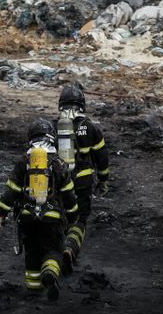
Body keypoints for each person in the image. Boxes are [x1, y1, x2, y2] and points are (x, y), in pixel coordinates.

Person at [0, 118, 79, 301]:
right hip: (52, 218)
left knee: (32, 252)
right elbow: (69, 194)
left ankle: (34, 291)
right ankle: (50, 273)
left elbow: (11, 190)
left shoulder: (24, 161)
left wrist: (1, 213)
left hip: (27, 218)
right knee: (52, 251)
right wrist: (73, 216)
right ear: (52, 137)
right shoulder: (58, 163)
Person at [55, 84, 109, 271]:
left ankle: (55, 250)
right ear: (82, 105)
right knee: (81, 218)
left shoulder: (55, 126)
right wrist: (103, 179)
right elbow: (102, 157)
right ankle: (70, 248)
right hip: (83, 181)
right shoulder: (91, 128)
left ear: (61, 105)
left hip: (59, 181)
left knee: (61, 213)